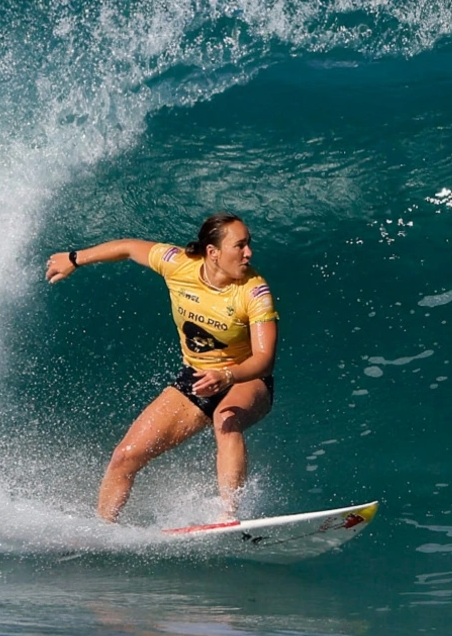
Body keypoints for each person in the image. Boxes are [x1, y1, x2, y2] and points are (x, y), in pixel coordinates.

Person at [45, 213, 279, 522]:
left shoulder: (254, 291)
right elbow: (128, 247)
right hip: (196, 377)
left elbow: (264, 359)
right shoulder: (177, 263)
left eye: (249, 244)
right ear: (213, 252)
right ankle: (103, 529)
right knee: (125, 457)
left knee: (227, 419)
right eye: (240, 246)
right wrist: (75, 259)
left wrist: (226, 375)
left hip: (245, 378)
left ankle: (229, 517)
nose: (248, 253)